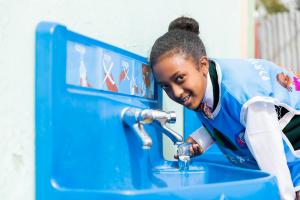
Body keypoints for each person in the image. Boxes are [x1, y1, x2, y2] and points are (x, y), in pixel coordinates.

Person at [149, 16, 300, 200]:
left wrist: (285, 195)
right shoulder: (205, 78)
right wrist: (201, 139)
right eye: (166, 86)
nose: (176, 92)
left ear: (202, 65)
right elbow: (227, 116)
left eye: (179, 78)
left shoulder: (247, 99)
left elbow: (273, 163)